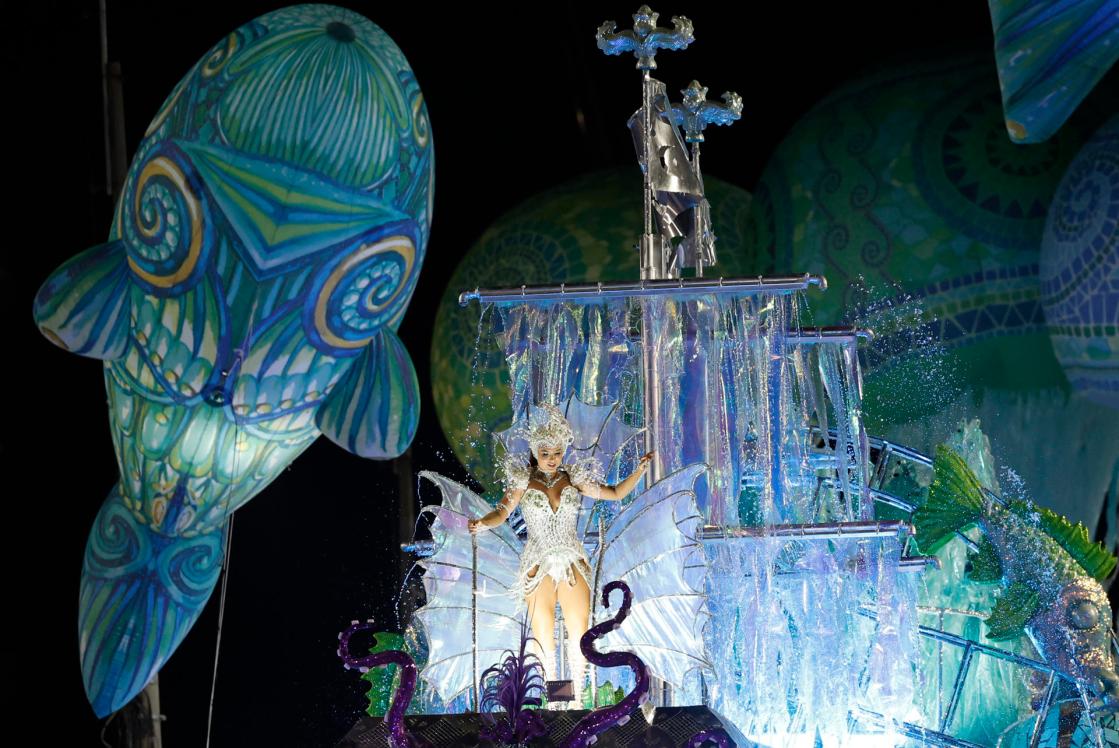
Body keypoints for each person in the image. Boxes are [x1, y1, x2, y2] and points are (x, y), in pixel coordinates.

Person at [467, 404, 653, 701]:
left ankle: (576, 700)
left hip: (571, 561)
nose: (552, 460)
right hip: (537, 563)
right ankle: (554, 702)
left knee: (580, 633)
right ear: (535, 452)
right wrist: (481, 523)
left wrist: (640, 471)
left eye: (557, 453)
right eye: (545, 454)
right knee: (543, 638)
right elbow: (501, 513)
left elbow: (615, 492)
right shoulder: (523, 480)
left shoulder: (574, 478)